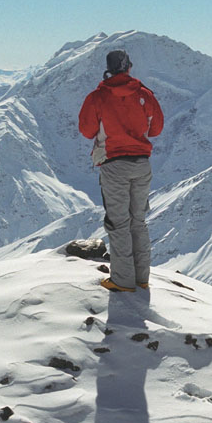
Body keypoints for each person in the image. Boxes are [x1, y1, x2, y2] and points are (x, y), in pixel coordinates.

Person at [78, 49, 164, 292]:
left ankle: (123, 281)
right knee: (138, 221)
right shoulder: (145, 95)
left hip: (114, 164)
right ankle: (141, 277)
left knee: (119, 223)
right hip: (142, 163)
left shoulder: (98, 97)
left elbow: (86, 129)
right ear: (128, 68)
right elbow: (156, 128)